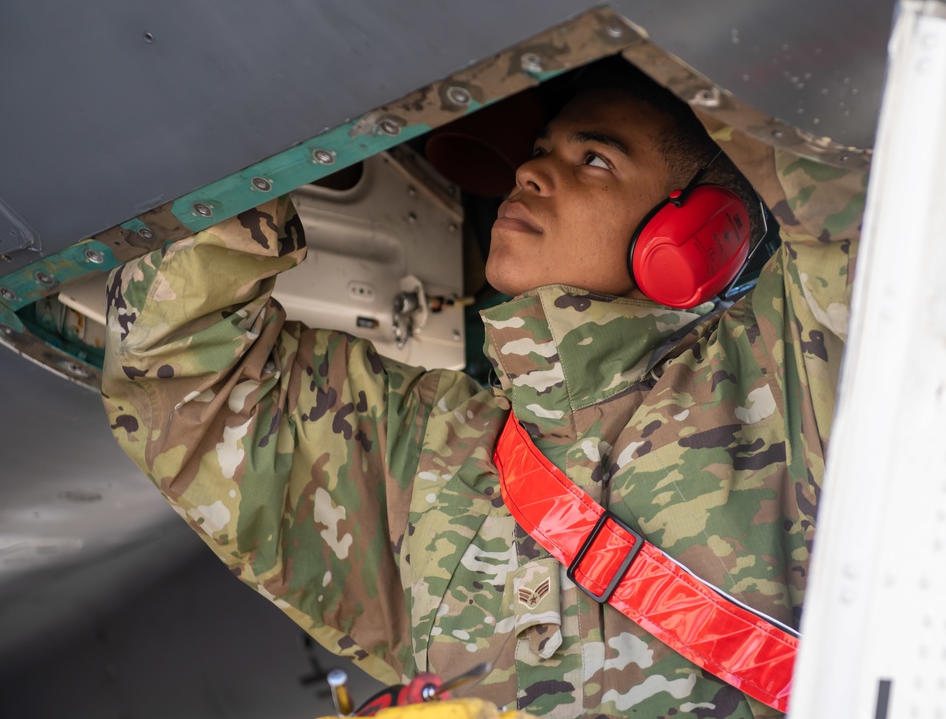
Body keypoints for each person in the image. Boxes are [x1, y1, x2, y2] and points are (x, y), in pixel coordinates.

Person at [102, 57, 866, 718]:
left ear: (703, 230)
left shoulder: (785, 376)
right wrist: (268, 108)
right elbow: (185, 379)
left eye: (594, 159)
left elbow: (869, 209)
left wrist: (695, 42)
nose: (530, 173)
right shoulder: (436, 453)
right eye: (538, 152)